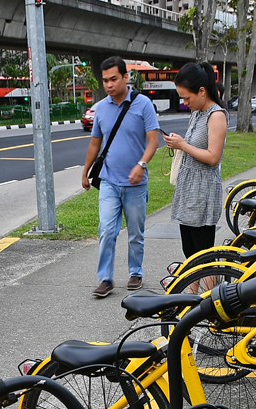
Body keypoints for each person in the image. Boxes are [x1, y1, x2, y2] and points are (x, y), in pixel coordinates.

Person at [82, 56, 160, 298]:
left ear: (126, 77)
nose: (109, 84)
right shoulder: (101, 108)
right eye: (105, 80)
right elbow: (95, 144)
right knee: (106, 230)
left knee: (136, 232)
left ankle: (135, 272)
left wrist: (141, 164)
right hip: (109, 181)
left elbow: (153, 140)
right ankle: (105, 279)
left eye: (113, 79)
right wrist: (85, 171)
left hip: (136, 184)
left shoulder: (143, 104)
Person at [163, 63, 227, 292]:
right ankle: (192, 300)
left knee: (204, 254)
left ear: (202, 90)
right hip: (188, 188)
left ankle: (211, 304)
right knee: (190, 253)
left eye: (186, 97)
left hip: (203, 191)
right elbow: (192, 146)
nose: (184, 103)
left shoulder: (216, 115)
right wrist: (179, 143)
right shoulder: (197, 113)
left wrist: (183, 145)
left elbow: (213, 157)